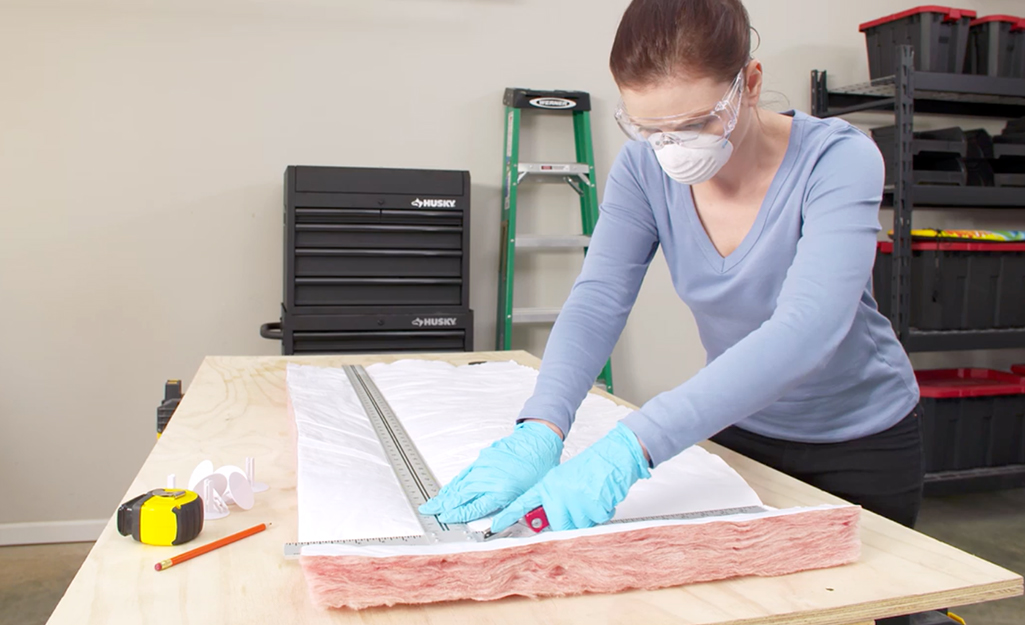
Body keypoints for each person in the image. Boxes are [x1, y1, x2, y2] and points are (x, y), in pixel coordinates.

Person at [422, 0, 923, 587]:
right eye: (649, 128)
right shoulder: (643, 168)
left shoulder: (838, 158)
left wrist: (632, 447)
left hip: (862, 442)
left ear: (750, 84)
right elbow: (599, 299)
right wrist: (541, 426)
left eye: (695, 123)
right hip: (739, 432)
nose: (673, 146)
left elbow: (806, 328)